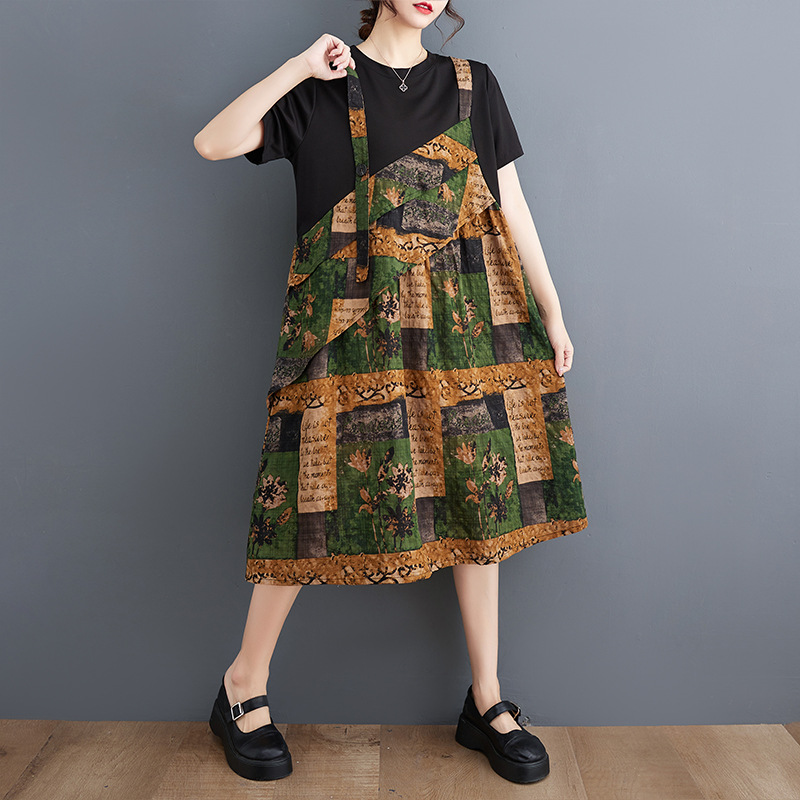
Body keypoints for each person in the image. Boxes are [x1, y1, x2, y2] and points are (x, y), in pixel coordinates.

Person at [193, 0, 588, 785]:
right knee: (303, 500)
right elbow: (214, 142)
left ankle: (487, 700)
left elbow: (510, 202)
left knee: (479, 497)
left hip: (463, 326)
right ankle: (243, 685)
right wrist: (300, 67)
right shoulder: (323, 85)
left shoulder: (474, 85)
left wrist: (552, 307)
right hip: (346, 328)